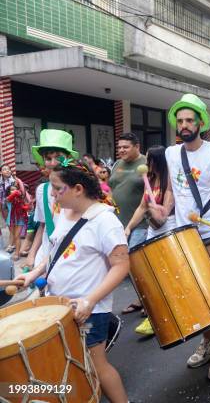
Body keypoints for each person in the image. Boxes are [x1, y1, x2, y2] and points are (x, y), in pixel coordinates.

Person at [16, 158, 130, 403]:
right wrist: (33, 274)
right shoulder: (65, 213)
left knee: (97, 365)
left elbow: (121, 266)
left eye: (58, 189)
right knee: (74, 366)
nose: (53, 195)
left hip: (88, 310)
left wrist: (89, 301)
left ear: (78, 189)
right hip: (58, 306)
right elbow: (55, 250)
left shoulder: (105, 221)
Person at [165, 93, 210, 379]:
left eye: (189, 120)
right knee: (193, 292)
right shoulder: (172, 154)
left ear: (200, 123)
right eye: (180, 120)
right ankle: (206, 340)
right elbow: (173, 191)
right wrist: (163, 209)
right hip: (184, 231)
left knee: (209, 288)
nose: (184, 125)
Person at [125, 145, 176, 335]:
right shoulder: (150, 179)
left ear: (158, 161)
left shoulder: (169, 180)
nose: (146, 164)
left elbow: (166, 211)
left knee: (164, 273)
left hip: (168, 228)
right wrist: (129, 227)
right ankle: (154, 314)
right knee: (151, 272)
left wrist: (161, 212)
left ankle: (162, 314)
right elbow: (142, 207)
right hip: (152, 229)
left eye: (149, 160)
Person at [25, 129, 79, 270]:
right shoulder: (41, 190)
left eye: (59, 157)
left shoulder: (79, 189)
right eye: (48, 158)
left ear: (68, 158)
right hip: (46, 254)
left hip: (72, 255)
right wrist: (32, 254)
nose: (53, 162)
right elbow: (43, 225)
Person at [108, 132, 147, 315]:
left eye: (126, 147)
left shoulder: (146, 163)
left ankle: (150, 300)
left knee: (136, 263)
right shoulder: (117, 164)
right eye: (120, 147)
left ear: (136, 146)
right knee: (128, 266)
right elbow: (111, 188)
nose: (121, 150)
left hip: (140, 224)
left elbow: (151, 194)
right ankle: (142, 298)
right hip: (117, 225)